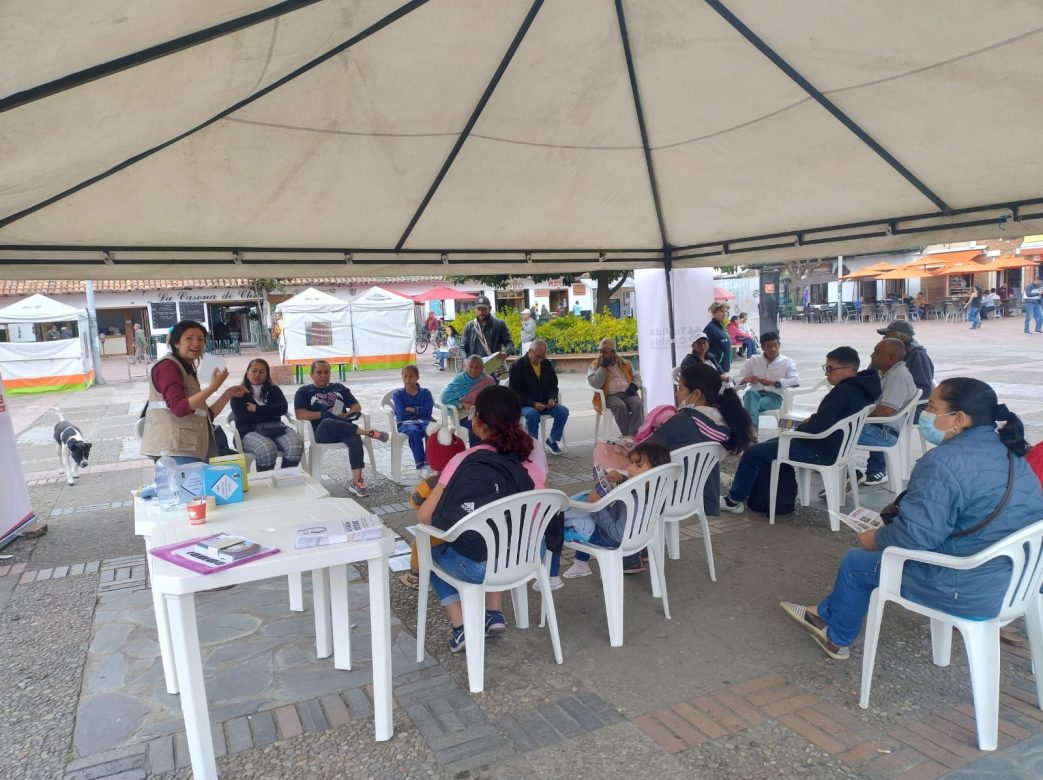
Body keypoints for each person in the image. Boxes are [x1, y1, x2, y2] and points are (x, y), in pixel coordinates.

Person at [781, 378, 1043, 660]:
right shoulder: (1012, 452)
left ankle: (835, 637)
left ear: (958, 419)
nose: (925, 414)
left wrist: (874, 537)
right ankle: (822, 613)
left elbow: (916, 537)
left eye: (932, 407)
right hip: (1017, 582)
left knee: (856, 562)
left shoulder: (943, 461)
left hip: (966, 586)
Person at [417, 385, 548, 652]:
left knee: (432, 552)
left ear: (477, 420)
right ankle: (494, 613)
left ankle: (461, 628)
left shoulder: (464, 460)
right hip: (532, 552)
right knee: (501, 531)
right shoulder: (534, 451)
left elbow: (425, 516)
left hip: (482, 567)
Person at [721, 346, 881, 513]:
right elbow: (827, 419)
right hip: (834, 446)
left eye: (830, 368)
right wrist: (812, 421)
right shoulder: (862, 388)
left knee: (753, 453)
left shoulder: (844, 392)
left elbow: (816, 428)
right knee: (768, 445)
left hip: (819, 448)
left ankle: (733, 500)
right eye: (825, 368)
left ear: (848, 369)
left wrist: (802, 427)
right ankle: (749, 488)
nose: (826, 373)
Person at [646, 363, 755, 520]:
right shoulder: (723, 424)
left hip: (663, 496)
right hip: (699, 497)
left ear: (696, 394)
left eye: (680, 388)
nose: (677, 393)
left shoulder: (682, 421)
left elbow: (643, 451)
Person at [558, 442, 672, 581]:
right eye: (631, 462)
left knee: (580, 517)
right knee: (587, 507)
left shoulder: (632, 501)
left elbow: (617, 535)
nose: (630, 468)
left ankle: (578, 562)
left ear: (656, 471)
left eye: (638, 465)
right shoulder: (656, 491)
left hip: (611, 540)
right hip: (641, 537)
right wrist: (622, 479)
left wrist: (597, 508)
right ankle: (581, 563)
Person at [141, 320, 249, 465]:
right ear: (176, 343)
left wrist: (227, 394)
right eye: (189, 338)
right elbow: (179, 409)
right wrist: (214, 386)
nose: (196, 343)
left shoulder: (187, 368)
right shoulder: (168, 366)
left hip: (190, 447)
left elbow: (206, 415)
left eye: (200, 339)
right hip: (174, 450)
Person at [293, 360, 388, 497]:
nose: (323, 375)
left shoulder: (339, 387)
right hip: (323, 432)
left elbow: (356, 406)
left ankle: (357, 483)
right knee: (327, 421)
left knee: (354, 438)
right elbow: (300, 414)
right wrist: (324, 414)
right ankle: (366, 432)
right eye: (319, 372)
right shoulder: (304, 391)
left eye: (326, 372)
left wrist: (348, 414)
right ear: (311, 375)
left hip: (344, 428)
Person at [856, 339, 919, 486]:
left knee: (836, 432)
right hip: (877, 428)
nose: (872, 355)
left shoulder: (899, 375)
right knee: (833, 428)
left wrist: (855, 414)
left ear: (890, 358)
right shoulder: (887, 373)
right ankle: (843, 471)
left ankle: (849, 473)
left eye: (877, 352)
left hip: (883, 433)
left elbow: (887, 410)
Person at [229, 358, 303, 471]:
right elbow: (244, 417)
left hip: (275, 428)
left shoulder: (274, 390)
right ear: (247, 372)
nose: (257, 374)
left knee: (296, 445)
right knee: (267, 449)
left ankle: (284, 476)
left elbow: (283, 408)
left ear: (267, 375)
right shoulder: (238, 392)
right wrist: (271, 412)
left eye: (262, 372)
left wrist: (257, 409)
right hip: (248, 431)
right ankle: (266, 479)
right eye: (254, 371)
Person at [508, 339, 568, 455]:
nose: (540, 360)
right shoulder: (517, 366)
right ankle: (532, 445)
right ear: (530, 351)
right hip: (525, 404)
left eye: (543, 357)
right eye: (538, 357)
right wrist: (533, 403)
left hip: (545, 402)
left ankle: (552, 440)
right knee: (532, 414)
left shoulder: (546, 364)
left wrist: (552, 398)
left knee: (563, 411)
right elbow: (514, 392)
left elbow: (554, 385)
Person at [734, 331, 799, 428]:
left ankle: (750, 432)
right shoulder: (754, 360)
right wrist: (747, 379)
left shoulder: (787, 362)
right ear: (763, 347)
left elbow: (796, 381)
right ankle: (751, 433)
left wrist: (774, 383)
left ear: (779, 345)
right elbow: (736, 379)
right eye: (768, 347)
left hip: (773, 397)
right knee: (750, 393)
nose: (773, 349)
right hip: (753, 394)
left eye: (775, 345)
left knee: (750, 406)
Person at [876, 320, 933, 419]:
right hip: (890, 402)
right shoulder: (889, 353)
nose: (883, 338)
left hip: (909, 409)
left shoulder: (917, 355)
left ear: (900, 337)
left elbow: (924, 391)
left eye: (887, 334)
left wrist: (895, 398)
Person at [587, 337, 644, 437]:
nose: (601, 354)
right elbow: (595, 384)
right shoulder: (595, 365)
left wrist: (634, 386)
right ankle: (629, 436)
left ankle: (636, 435)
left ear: (613, 353)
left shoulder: (625, 363)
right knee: (620, 406)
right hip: (609, 395)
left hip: (627, 392)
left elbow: (637, 377)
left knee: (637, 404)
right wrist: (602, 368)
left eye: (605, 352)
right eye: (600, 351)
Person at [391, 365, 435, 474]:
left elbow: (428, 412)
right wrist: (420, 410)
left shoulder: (425, 393)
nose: (407, 379)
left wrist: (413, 409)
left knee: (432, 431)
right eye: (405, 376)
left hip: (425, 421)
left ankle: (430, 462)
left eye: (411, 376)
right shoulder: (397, 394)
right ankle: (421, 465)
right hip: (405, 423)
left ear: (417, 377)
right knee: (414, 432)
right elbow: (402, 415)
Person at [440, 355, 492, 446]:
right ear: (466, 367)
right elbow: (445, 398)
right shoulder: (460, 379)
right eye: (471, 366)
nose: (473, 370)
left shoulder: (488, 381)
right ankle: (475, 451)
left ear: (482, 368)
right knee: (476, 426)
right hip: (462, 413)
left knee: (494, 425)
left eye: (477, 367)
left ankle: (489, 450)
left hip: (483, 412)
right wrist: (462, 404)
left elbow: (494, 398)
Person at [461, 295, 513, 362]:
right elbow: (462, 347)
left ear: (490, 308)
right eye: (478, 309)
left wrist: (505, 353)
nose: (481, 312)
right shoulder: (469, 326)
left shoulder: (499, 324)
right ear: (475, 309)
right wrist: (465, 360)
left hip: (493, 364)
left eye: (484, 309)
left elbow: (509, 343)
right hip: (475, 365)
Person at [704, 301, 732, 373]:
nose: (725, 314)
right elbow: (704, 351)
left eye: (726, 311)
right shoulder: (710, 329)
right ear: (714, 313)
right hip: (716, 370)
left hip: (724, 368)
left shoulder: (722, 327)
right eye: (722, 311)